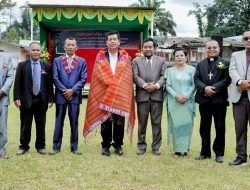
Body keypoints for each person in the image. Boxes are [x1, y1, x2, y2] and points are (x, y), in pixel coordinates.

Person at [83, 30, 135, 157]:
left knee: (119, 121)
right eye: (110, 39)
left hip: (119, 94)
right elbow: (97, 75)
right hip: (104, 93)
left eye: (114, 39)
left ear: (119, 41)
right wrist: (110, 84)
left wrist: (118, 87)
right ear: (106, 42)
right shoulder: (100, 57)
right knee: (105, 120)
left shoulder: (125, 57)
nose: (112, 41)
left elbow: (127, 77)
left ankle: (118, 145)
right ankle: (105, 145)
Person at [194, 40, 231, 163]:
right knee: (204, 127)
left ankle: (219, 153)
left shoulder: (225, 63)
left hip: (219, 100)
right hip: (204, 100)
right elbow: (196, 78)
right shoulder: (200, 64)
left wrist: (213, 88)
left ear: (219, 49)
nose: (211, 50)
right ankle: (205, 152)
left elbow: (227, 79)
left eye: (214, 47)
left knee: (220, 127)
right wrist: (205, 88)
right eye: (209, 48)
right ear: (205, 49)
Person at [14, 42, 54, 155]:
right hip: (26, 99)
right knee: (25, 124)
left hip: (42, 100)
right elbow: (17, 83)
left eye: (38, 50)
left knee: (41, 124)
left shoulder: (46, 66)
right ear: (29, 51)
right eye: (33, 50)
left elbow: (49, 84)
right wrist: (16, 98)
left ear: (41, 52)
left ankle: (41, 146)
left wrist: (51, 98)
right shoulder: (22, 66)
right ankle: (23, 146)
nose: (36, 52)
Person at [49, 37, 87, 155]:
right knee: (59, 121)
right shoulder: (57, 61)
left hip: (75, 97)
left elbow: (83, 78)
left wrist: (73, 90)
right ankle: (56, 146)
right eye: (68, 45)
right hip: (61, 96)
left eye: (72, 45)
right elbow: (55, 78)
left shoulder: (81, 61)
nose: (70, 47)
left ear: (76, 47)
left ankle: (74, 147)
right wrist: (65, 91)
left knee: (74, 122)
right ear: (64, 47)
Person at [132, 37, 167, 155]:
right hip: (142, 96)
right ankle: (141, 146)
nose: (148, 49)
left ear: (154, 48)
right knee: (142, 123)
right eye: (145, 47)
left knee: (156, 122)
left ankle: (156, 146)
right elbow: (135, 76)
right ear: (142, 48)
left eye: (150, 47)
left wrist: (156, 85)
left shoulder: (161, 61)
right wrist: (145, 85)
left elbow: (163, 77)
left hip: (157, 96)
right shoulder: (136, 61)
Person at [165, 48, 196, 157]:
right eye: (177, 55)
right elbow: (167, 86)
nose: (179, 57)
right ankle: (177, 150)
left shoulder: (192, 70)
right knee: (176, 125)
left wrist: (186, 96)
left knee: (187, 125)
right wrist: (176, 96)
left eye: (181, 55)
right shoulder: (169, 71)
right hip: (175, 102)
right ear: (174, 57)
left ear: (186, 56)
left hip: (188, 102)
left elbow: (194, 85)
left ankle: (186, 148)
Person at [228, 29, 250, 167]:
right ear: (243, 41)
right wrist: (239, 82)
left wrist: (247, 84)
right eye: (246, 38)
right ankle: (241, 156)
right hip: (239, 98)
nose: (248, 40)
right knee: (240, 128)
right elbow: (232, 70)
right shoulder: (236, 55)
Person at [0, 52, 14, 159]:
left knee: (2, 127)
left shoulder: (6, 57)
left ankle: (1, 151)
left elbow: (10, 76)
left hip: (2, 98)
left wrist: (3, 91)